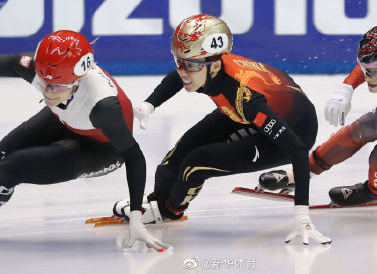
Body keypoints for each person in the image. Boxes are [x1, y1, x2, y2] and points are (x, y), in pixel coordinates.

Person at [114, 13, 331, 245]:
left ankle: (171, 210)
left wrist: (301, 216)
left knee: (195, 163)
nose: (182, 71)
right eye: (178, 61)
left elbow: (297, 149)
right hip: (249, 109)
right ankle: (157, 203)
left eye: (188, 65)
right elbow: (178, 77)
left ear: (215, 65)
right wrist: (150, 103)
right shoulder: (206, 68)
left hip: (294, 129)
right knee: (173, 159)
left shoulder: (243, 96)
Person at [0, 30, 169, 251]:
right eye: (43, 82)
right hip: (66, 119)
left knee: (10, 168)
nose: (48, 92)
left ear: (79, 80)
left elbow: (134, 156)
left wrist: (136, 216)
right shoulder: (46, 69)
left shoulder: (103, 107)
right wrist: (56, 87)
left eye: (58, 86)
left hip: (101, 149)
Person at [260, 23, 377, 206]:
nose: (368, 78)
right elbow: (371, 64)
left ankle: (373, 191)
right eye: (365, 70)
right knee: (361, 130)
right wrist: (346, 88)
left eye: (374, 73)